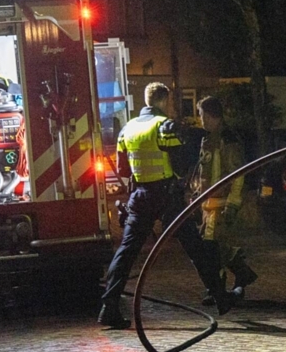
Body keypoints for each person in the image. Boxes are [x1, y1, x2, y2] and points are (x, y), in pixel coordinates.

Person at [97, 82, 233, 329]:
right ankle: (221, 297)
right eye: (169, 103)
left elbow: (122, 169)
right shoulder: (164, 126)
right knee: (194, 246)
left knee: (126, 251)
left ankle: (109, 306)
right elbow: (181, 164)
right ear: (162, 101)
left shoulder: (127, 129)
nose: (171, 107)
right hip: (167, 196)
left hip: (140, 196)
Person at [192, 96, 258, 305]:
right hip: (208, 204)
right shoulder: (208, 138)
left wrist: (232, 204)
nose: (200, 119)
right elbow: (204, 172)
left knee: (212, 249)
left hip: (221, 204)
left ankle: (217, 290)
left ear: (211, 116)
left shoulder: (228, 139)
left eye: (201, 115)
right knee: (218, 248)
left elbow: (238, 174)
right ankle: (241, 275)